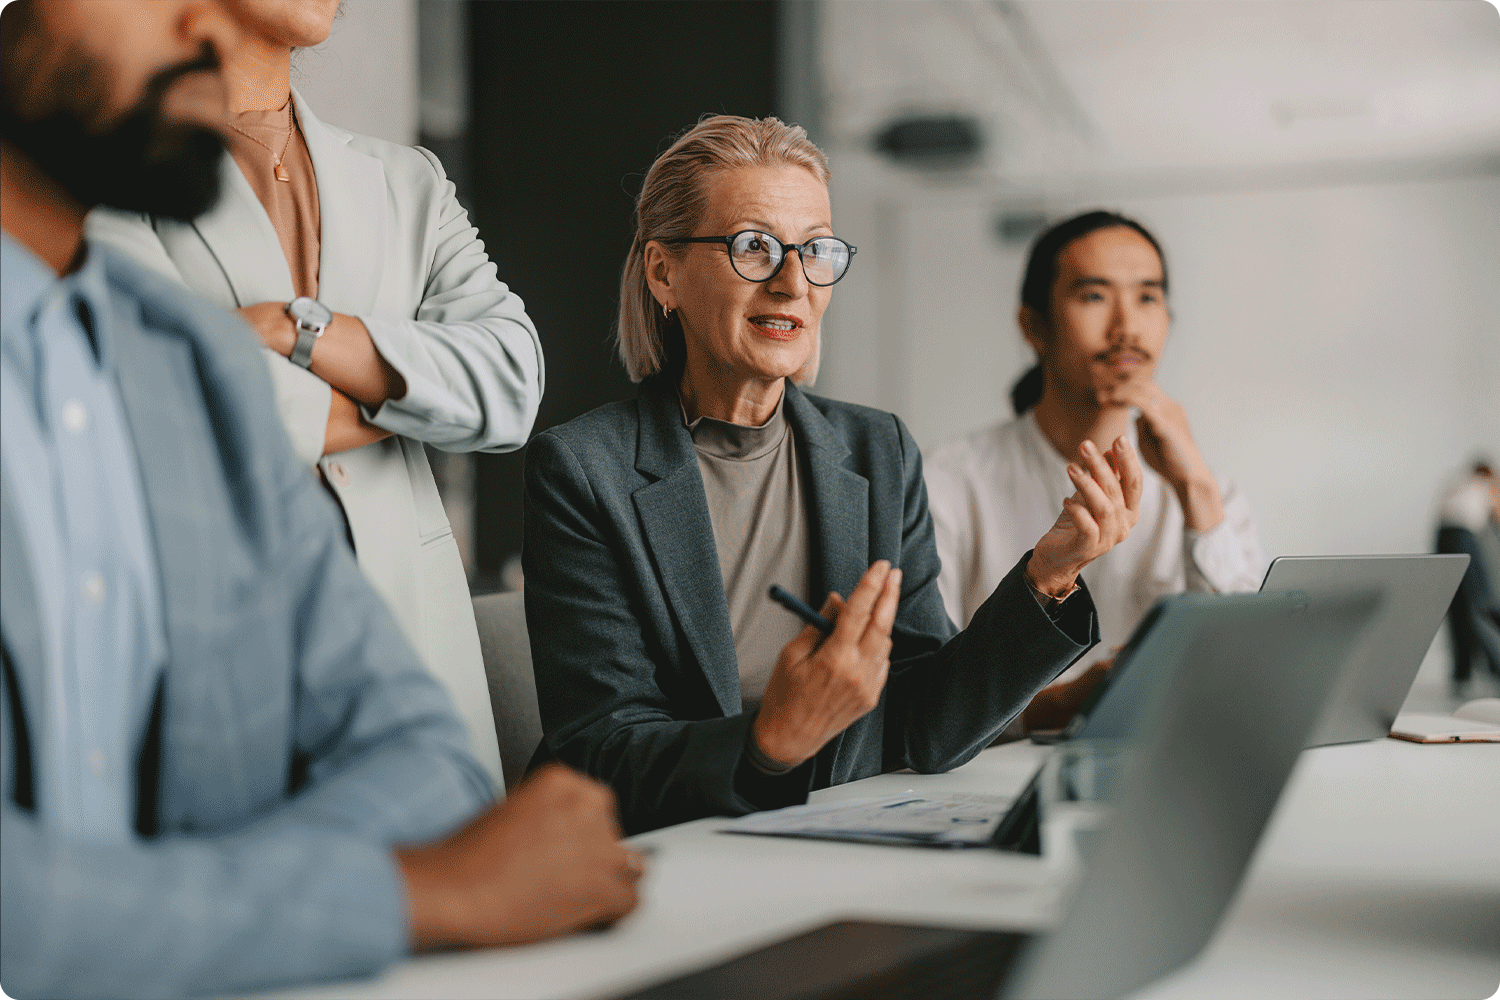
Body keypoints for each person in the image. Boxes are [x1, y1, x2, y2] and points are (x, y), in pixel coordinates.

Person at [0, 3, 637, 996]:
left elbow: (432, 765)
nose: (210, 27)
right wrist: (417, 892)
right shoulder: (197, 366)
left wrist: (305, 331)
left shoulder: (176, 361)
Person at [522, 116, 1143, 835]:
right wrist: (771, 742)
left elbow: (926, 724)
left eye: (815, 250)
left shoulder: (877, 450)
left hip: (829, 832)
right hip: (659, 851)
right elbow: (603, 753)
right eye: (754, 247)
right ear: (665, 273)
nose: (793, 283)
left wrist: (1048, 577)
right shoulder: (582, 469)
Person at [86, 0, 544, 787]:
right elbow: (180, 400)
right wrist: (411, 401)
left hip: (417, 661)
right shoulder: (107, 175)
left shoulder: (410, 181)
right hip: (227, 667)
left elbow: (511, 382)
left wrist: (301, 332)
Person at [924, 210, 1263, 730]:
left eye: (1148, 297)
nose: (1126, 328)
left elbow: (1246, 677)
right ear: (1033, 325)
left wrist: (1195, 489)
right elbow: (925, 699)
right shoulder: (948, 481)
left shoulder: (1211, 493)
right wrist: (1063, 703)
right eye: (1095, 296)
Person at [1436, 459, 1500, 684]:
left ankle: (1461, 670)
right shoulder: (1485, 486)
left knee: (1456, 607)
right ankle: (1497, 666)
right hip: (1463, 538)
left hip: (1442, 538)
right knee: (1479, 606)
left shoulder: (1456, 483)